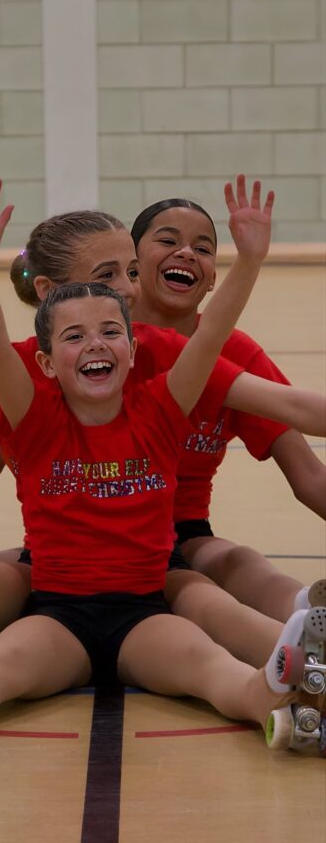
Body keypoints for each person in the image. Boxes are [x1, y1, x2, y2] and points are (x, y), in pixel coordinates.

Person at [0, 178, 324, 759]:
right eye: (78, 331)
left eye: (128, 277)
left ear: (132, 346)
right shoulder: (29, 402)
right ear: (47, 360)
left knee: (213, 633)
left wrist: (250, 260)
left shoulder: (162, 390)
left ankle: (293, 669)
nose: (126, 292)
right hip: (58, 605)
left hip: (150, 593)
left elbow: (216, 338)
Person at [131, 199, 326, 623]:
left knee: (236, 563)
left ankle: (306, 615)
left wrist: (251, 258)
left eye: (203, 248)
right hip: (90, 535)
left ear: (212, 281)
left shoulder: (236, 353)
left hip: (185, 534)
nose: (186, 253)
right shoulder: (99, 346)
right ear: (132, 264)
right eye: (168, 240)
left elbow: (310, 475)